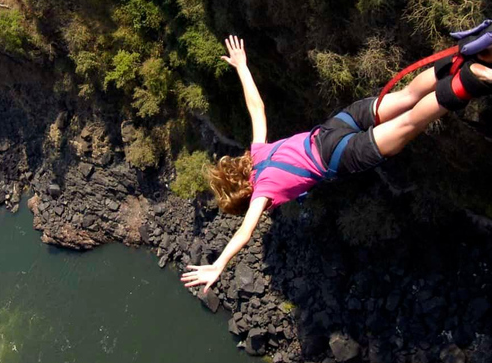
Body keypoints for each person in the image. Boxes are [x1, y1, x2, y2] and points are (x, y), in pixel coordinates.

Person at [181, 34, 492, 293]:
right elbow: (257, 108)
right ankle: (465, 61)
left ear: (244, 197)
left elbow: (244, 234)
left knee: (411, 122)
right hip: (334, 126)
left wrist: (218, 264)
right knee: (408, 95)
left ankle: (474, 77)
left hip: (340, 155)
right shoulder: (258, 153)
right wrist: (242, 67)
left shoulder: (262, 193)